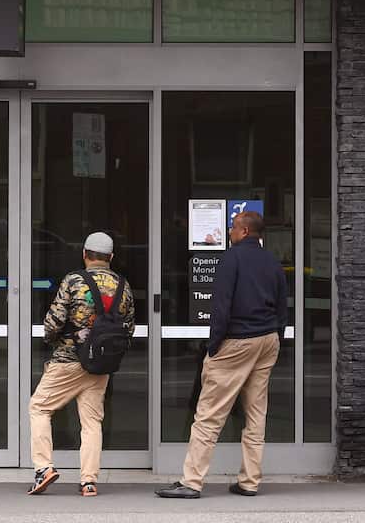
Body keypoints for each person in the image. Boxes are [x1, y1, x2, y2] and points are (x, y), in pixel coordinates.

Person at [155, 211, 289, 499]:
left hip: (237, 340)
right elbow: (282, 304)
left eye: (232, 227)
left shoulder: (232, 258)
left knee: (209, 414)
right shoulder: (272, 260)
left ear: (242, 230)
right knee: (256, 414)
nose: (229, 231)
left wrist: (213, 346)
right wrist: (277, 335)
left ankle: (191, 482)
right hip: (267, 340)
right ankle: (249, 481)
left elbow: (222, 305)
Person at [27, 231, 135, 497]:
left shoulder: (74, 280)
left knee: (39, 407)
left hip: (68, 360)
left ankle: (44, 468)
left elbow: (54, 321)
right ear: (110, 257)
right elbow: (128, 328)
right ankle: (88, 481)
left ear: (85, 255)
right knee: (92, 422)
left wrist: (51, 339)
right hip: (101, 364)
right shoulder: (123, 285)